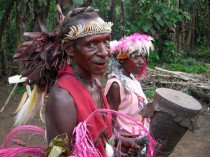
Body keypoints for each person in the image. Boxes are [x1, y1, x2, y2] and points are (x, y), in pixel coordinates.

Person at [104, 33, 154, 156]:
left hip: (140, 140)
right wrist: (121, 145)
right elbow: (109, 123)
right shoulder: (116, 85)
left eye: (142, 57)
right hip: (127, 144)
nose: (141, 61)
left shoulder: (132, 80)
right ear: (122, 59)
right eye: (136, 57)